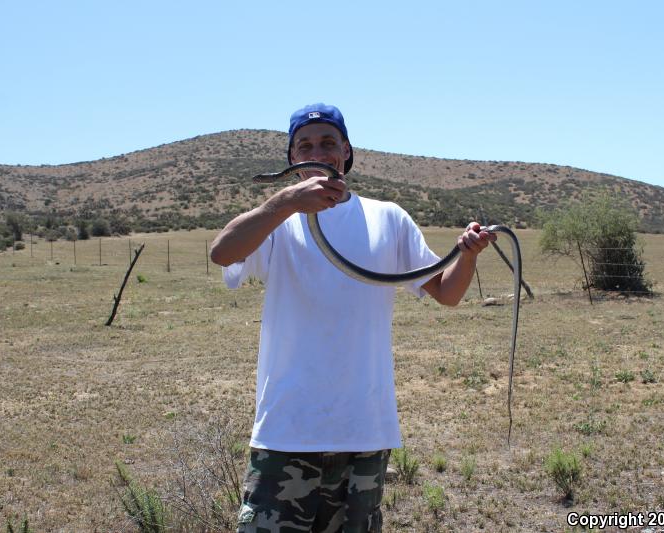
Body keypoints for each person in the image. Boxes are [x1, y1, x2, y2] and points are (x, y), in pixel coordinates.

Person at [210, 103, 496, 532]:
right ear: (291, 160)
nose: (317, 152)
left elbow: (447, 292)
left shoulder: (388, 217)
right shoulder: (277, 222)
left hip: (363, 430)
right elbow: (222, 252)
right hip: (288, 431)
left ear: (345, 151)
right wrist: (285, 201)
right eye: (304, 145)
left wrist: (467, 255)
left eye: (328, 142)